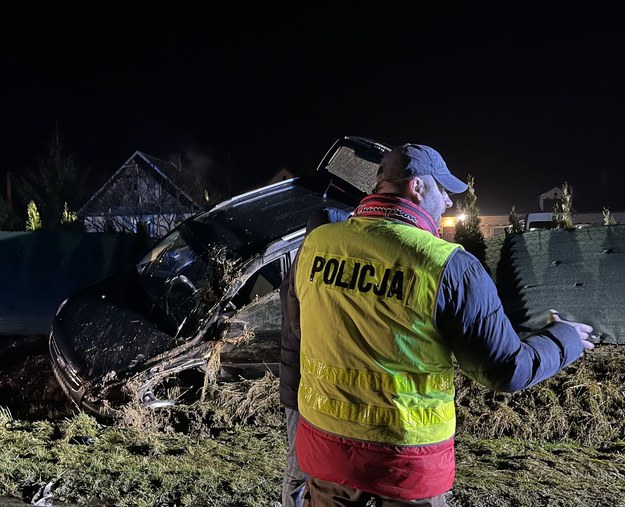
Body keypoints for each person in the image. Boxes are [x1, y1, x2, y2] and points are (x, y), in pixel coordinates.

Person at [289, 143, 595, 506]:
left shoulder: (317, 244)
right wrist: (564, 339)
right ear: (417, 187)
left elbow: (299, 329)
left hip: (326, 456)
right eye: (443, 189)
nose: (449, 202)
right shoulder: (446, 264)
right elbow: (505, 370)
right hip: (405, 467)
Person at [279, 207, 351, 507]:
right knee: (300, 466)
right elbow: (304, 331)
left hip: (309, 387)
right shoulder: (307, 275)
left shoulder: (311, 269)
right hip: (302, 389)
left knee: (312, 464)